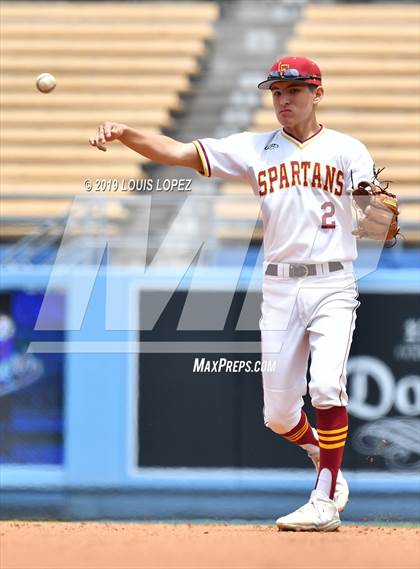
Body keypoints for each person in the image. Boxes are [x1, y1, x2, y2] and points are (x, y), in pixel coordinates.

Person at [90, 56, 379, 531]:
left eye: (294, 91)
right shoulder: (254, 148)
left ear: (317, 93)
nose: (284, 100)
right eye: (277, 92)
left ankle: (324, 497)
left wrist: (376, 215)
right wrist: (126, 133)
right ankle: (324, 459)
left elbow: (374, 211)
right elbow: (178, 152)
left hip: (332, 282)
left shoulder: (347, 150)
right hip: (279, 285)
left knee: (326, 385)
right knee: (279, 416)